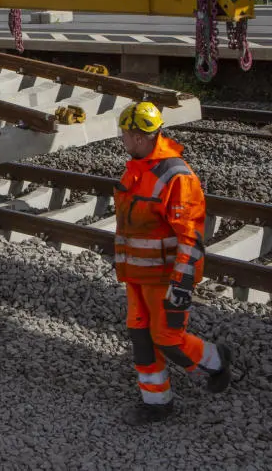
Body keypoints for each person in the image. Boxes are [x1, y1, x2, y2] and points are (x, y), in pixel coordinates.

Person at [114, 101, 233, 425]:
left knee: (166, 337)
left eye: (125, 133)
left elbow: (191, 235)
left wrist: (181, 283)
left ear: (139, 136)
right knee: (141, 338)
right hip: (137, 275)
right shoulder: (137, 167)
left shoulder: (176, 177)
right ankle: (156, 404)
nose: (122, 138)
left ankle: (216, 359)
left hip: (163, 278)